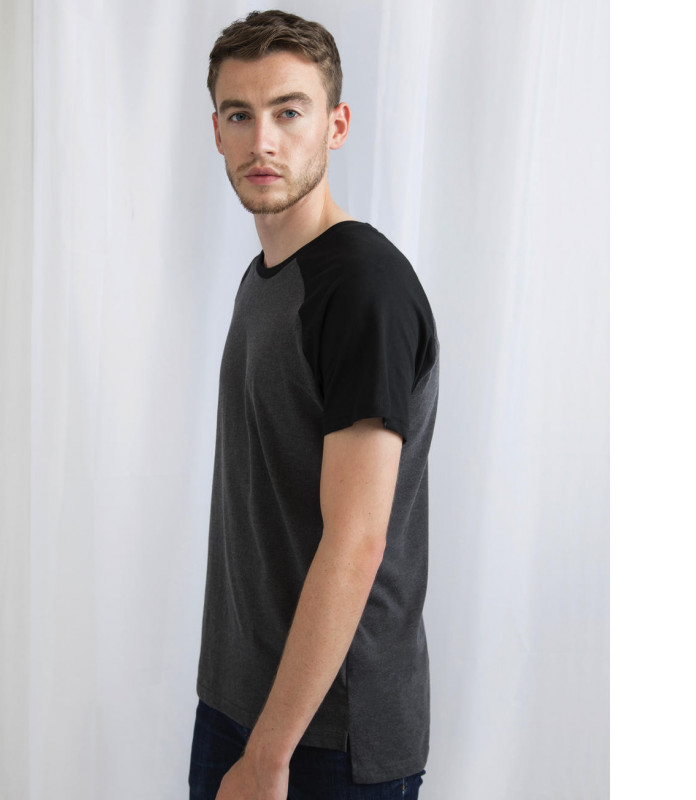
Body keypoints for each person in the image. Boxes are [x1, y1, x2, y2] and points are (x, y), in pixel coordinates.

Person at [189, 10, 439, 799]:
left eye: (289, 112)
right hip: (241, 702)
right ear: (217, 131)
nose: (262, 141)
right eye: (240, 115)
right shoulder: (267, 276)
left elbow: (357, 540)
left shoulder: (362, 288)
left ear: (336, 125)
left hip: (325, 736)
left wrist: (270, 754)